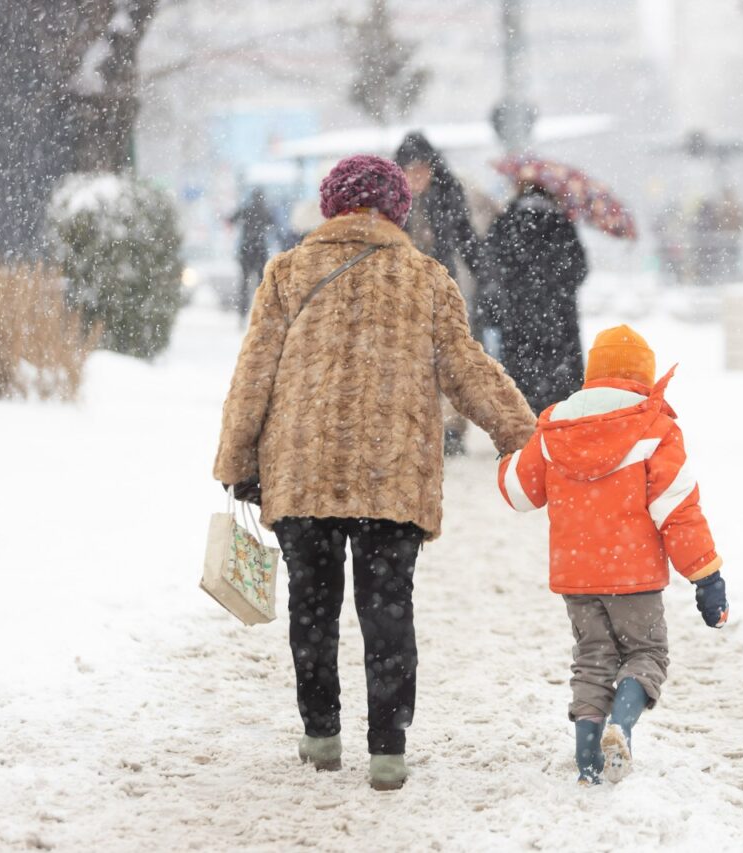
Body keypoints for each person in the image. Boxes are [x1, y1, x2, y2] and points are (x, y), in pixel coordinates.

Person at [212, 154, 535, 792]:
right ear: (398, 210)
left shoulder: (287, 270)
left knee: (313, 608)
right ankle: (387, 748)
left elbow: (254, 376)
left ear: (332, 206)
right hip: (392, 477)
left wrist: (236, 460)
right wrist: (523, 434)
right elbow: (466, 367)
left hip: (302, 472)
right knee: (388, 610)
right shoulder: (426, 278)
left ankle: (322, 733)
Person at [496, 325, 729, 785]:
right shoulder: (655, 429)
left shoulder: (555, 425)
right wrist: (706, 577)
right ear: (644, 375)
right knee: (646, 653)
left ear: (592, 373)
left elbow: (520, 492)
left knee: (592, 659)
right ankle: (620, 728)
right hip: (634, 575)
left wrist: (508, 456)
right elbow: (678, 511)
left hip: (577, 576)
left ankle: (587, 760)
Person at [394, 132, 490, 456]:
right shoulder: (391, 200)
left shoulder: (449, 194)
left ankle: (451, 428)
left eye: (422, 169)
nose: (417, 176)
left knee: (448, 360)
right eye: (410, 170)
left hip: (442, 286)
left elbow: (466, 238)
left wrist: (485, 276)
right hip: (404, 289)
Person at [485, 181, 589, 415]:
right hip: (559, 325)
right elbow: (580, 269)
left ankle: (526, 445)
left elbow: (490, 266)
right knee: (561, 401)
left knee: (520, 398)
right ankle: (558, 438)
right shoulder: (562, 222)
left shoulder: (507, 220)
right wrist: (557, 288)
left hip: (518, 321)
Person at [228, 188, 276, 320]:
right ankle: (261, 312)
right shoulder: (265, 211)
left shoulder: (246, 209)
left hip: (246, 250)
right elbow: (273, 225)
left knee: (244, 282)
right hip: (260, 251)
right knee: (261, 284)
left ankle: (242, 313)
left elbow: (231, 220)